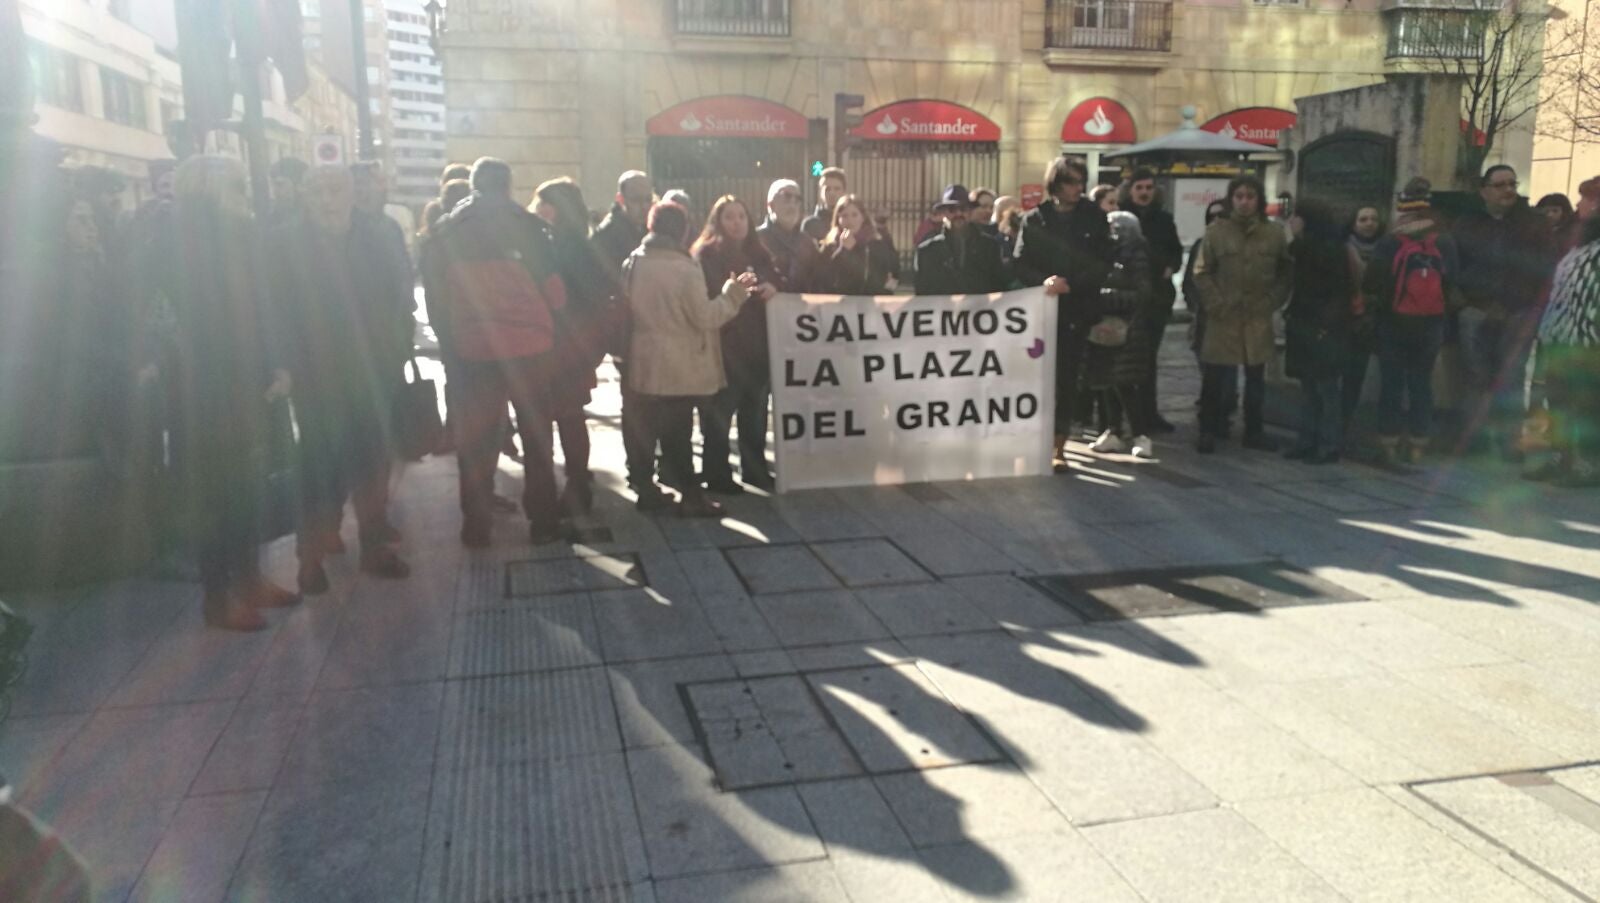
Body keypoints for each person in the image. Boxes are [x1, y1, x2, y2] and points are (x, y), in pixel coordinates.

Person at [161, 155, 298, 630]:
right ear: (210, 190)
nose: (247, 193)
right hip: (207, 390)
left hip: (246, 383)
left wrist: (277, 363)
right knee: (218, 495)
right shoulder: (180, 241)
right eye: (238, 185)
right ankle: (219, 596)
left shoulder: (241, 236)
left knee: (248, 488)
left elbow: (264, 305)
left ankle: (248, 578)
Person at [270, 166, 413, 593]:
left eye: (335, 190)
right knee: (317, 468)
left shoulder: (380, 236)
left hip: (373, 370)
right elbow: (274, 310)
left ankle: (375, 548)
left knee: (373, 463)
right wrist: (284, 365)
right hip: (316, 376)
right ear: (305, 196)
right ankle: (310, 558)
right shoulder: (284, 243)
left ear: (352, 194)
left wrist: (397, 350)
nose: (326, 200)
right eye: (316, 191)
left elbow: (400, 295)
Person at [420, 157, 569, 546]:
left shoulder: (444, 233)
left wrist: (454, 348)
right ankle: (544, 522)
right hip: (530, 351)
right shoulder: (530, 228)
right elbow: (555, 293)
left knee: (477, 441)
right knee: (537, 439)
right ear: (508, 186)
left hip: (473, 351)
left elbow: (435, 304)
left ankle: (476, 525)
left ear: (473, 187)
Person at [623, 201, 760, 516]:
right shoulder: (683, 268)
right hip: (678, 363)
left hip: (643, 358)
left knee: (646, 430)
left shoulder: (634, 260)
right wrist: (733, 293)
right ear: (683, 229)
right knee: (678, 434)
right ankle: (692, 498)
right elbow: (706, 317)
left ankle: (647, 489)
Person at [1453, 165, 1558, 457]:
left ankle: (1510, 442)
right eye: (1500, 185)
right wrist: (1463, 302)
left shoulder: (1533, 225)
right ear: (1484, 190)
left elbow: (1544, 268)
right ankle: (1474, 440)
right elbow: (1453, 266)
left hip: (1517, 313)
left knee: (1510, 379)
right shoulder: (1466, 223)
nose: (1508, 190)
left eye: (1512, 183)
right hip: (1476, 310)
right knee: (1475, 377)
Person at [1014, 157, 1115, 457]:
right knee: (1039, 376)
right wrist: (1044, 282)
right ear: (1056, 183)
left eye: (1081, 181)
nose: (1078, 188)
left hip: (1078, 308)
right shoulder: (1035, 218)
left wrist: (1072, 283)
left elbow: (1103, 260)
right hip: (1042, 310)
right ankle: (1036, 435)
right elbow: (1020, 262)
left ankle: (1059, 444)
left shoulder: (1093, 216)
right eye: (1071, 181)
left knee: (1068, 378)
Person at [1192, 174, 1292, 454]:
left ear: (1259, 200)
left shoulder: (1273, 233)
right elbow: (1201, 272)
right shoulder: (1217, 232)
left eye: (1250, 196)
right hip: (1223, 316)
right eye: (1239, 196)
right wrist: (1216, 304)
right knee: (1214, 378)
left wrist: (1273, 300)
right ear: (1231, 199)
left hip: (1257, 317)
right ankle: (1208, 429)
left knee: (1255, 378)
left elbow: (1285, 272)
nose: (1245, 202)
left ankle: (1254, 430)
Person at [1362, 178, 1459, 465]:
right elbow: (1451, 280)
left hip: (1394, 322)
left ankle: (1389, 444)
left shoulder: (1392, 240)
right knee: (1421, 383)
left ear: (1402, 207)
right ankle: (1418, 444)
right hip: (1430, 323)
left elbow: (1373, 283)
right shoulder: (1444, 239)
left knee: (1392, 383)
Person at [533, 177, 615, 514]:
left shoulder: (555, 246)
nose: (535, 211)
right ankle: (578, 481)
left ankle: (575, 487)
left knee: (560, 416)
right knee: (571, 416)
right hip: (579, 346)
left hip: (556, 345)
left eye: (540, 205)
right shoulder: (586, 244)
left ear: (552, 209)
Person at [692, 195, 781, 493]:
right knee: (718, 416)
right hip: (724, 349)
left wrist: (772, 287)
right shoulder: (706, 255)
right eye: (729, 217)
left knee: (755, 415)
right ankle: (717, 473)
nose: (737, 223)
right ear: (718, 220)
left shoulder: (760, 253)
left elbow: (778, 281)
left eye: (741, 216)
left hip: (757, 348)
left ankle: (754, 470)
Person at [593, 170, 656, 494]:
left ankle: (647, 469)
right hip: (629, 334)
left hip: (652, 330)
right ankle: (641, 475)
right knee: (636, 405)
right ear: (621, 200)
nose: (645, 205)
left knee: (649, 404)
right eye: (637, 199)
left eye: (649, 198)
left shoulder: (648, 228)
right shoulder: (608, 235)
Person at [1283, 198, 1360, 464]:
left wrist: (1326, 327)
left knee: (1326, 389)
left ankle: (1328, 444)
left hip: (1324, 328)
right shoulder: (1303, 248)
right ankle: (1307, 441)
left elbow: (1338, 292)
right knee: (1308, 388)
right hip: (1305, 325)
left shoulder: (1327, 250)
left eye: (1296, 216)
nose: (1292, 221)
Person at [1085, 211, 1159, 459]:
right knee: (1106, 381)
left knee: (1125, 384)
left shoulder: (1136, 253)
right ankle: (1113, 431)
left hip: (1129, 326)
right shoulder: (1106, 252)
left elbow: (1143, 292)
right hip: (1106, 325)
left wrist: (1106, 298)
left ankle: (1141, 435)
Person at [1534, 212, 1600, 485]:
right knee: (1557, 404)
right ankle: (1560, 457)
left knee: (1586, 409)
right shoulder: (1577, 250)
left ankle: (1587, 466)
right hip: (1559, 339)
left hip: (1588, 344)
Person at [1120, 169, 1184, 434]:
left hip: (1156, 299)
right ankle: (1123, 418)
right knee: (1124, 361)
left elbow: (1176, 252)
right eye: (1139, 188)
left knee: (1148, 359)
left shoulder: (1164, 219)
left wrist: (1170, 266)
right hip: (1127, 299)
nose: (1145, 193)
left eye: (1148, 187)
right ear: (1130, 190)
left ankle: (1149, 412)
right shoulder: (1122, 219)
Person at [915, 184, 1009, 296]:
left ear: (970, 211)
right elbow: (922, 291)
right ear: (943, 213)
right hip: (943, 311)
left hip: (980, 311)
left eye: (963, 209)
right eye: (952, 210)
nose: (958, 214)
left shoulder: (989, 246)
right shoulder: (927, 251)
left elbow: (998, 286)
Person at [1342, 205, 1385, 429]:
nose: (1369, 223)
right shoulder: (1343, 249)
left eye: (1374, 219)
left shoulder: (1387, 249)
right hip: (1346, 319)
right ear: (1354, 223)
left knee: (1361, 374)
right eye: (1363, 219)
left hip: (1374, 320)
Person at [816, 194, 900, 295]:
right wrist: (843, 251)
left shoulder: (875, 243)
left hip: (868, 307)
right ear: (838, 220)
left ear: (863, 217)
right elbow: (823, 280)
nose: (850, 221)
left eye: (854, 215)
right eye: (844, 216)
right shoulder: (829, 246)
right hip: (838, 308)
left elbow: (887, 276)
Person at [757, 178, 820, 293]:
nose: (792, 203)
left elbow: (819, 281)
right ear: (770, 205)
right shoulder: (756, 239)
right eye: (786, 197)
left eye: (797, 199)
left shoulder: (806, 242)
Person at [802, 167, 848, 242]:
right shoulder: (810, 225)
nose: (832, 193)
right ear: (821, 192)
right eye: (827, 189)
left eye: (837, 189)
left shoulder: (851, 221)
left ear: (844, 192)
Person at [268, 156, 309, 226]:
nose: (274, 191)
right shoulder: (274, 218)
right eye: (272, 185)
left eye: (280, 184)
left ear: (300, 186)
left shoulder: (315, 219)